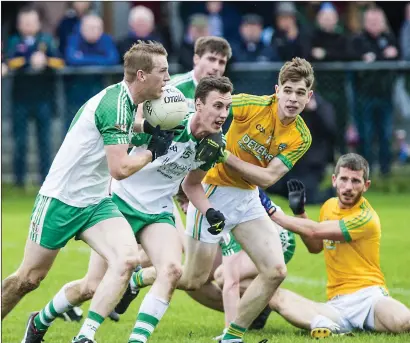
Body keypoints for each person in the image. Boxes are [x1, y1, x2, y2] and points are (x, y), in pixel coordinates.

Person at [118, 57, 314, 343]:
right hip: (210, 190)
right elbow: (209, 107)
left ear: (309, 96)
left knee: (275, 271)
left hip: (248, 197)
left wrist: (224, 155)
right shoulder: (250, 104)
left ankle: (231, 337)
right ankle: (138, 278)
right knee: (195, 280)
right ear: (277, 90)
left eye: (300, 93)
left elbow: (268, 178)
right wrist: (160, 119)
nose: (293, 98)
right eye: (288, 90)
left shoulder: (301, 136)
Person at [27, 76, 233, 343]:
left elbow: (192, 185)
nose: (222, 114)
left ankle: (134, 340)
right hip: (119, 203)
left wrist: (209, 211)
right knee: (91, 286)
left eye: (227, 108)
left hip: (157, 211)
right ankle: (40, 320)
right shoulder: (170, 119)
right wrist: (146, 129)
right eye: (217, 106)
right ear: (198, 104)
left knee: (172, 270)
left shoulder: (215, 144)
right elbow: (122, 134)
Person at [2, 41, 174, 343]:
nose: (168, 78)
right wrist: (151, 152)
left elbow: (126, 126)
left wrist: (149, 128)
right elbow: (119, 169)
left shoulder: (125, 100)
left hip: (95, 202)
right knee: (29, 279)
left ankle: (85, 336)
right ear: (142, 76)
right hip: (60, 200)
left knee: (127, 259)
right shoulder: (115, 103)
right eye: (163, 71)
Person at [268, 153, 410, 337]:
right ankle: (327, 325)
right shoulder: (328, 206)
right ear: (334, 180)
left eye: (356, 181)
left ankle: (321, 324)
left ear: (366, 186)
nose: (348, 187)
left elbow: (314, 231)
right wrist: (300, 213)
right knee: (274, 296)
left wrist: (272, 212)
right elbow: (315, 246)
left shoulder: (366, 218)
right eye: (344, 179)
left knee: (404, 321)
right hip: (337, 304)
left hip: (369, 298)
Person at [6, 6, 65, 187]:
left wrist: (45, 61)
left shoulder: (47, 40)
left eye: (32, 22)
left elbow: (60, 63)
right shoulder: (14, 41)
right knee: (20, 141)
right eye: (25, 23)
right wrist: (27, 61)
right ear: (19, 24)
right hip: (20, 99)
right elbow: (9, 62)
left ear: (38, 23)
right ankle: (19, 181)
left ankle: (45, 180)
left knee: (44, 142)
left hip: (44, 99)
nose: (29, 25)